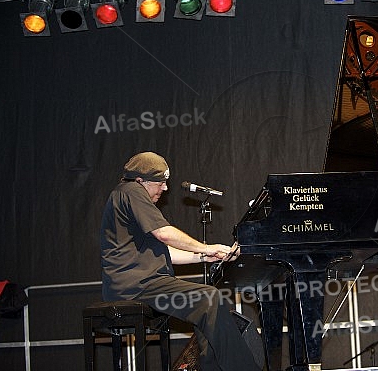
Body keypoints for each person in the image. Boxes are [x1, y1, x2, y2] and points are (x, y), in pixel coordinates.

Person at [100, 151, 259, 371]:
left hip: (143, 284)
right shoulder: (131, 191)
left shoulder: (130, 198)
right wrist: (205, 247)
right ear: (141, 181)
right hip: (134, 286)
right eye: (161, 183)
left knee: (206, 305)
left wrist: (205, 255)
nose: (165, 188)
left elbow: (166, 252)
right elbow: (165, 234)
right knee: (209, 299)